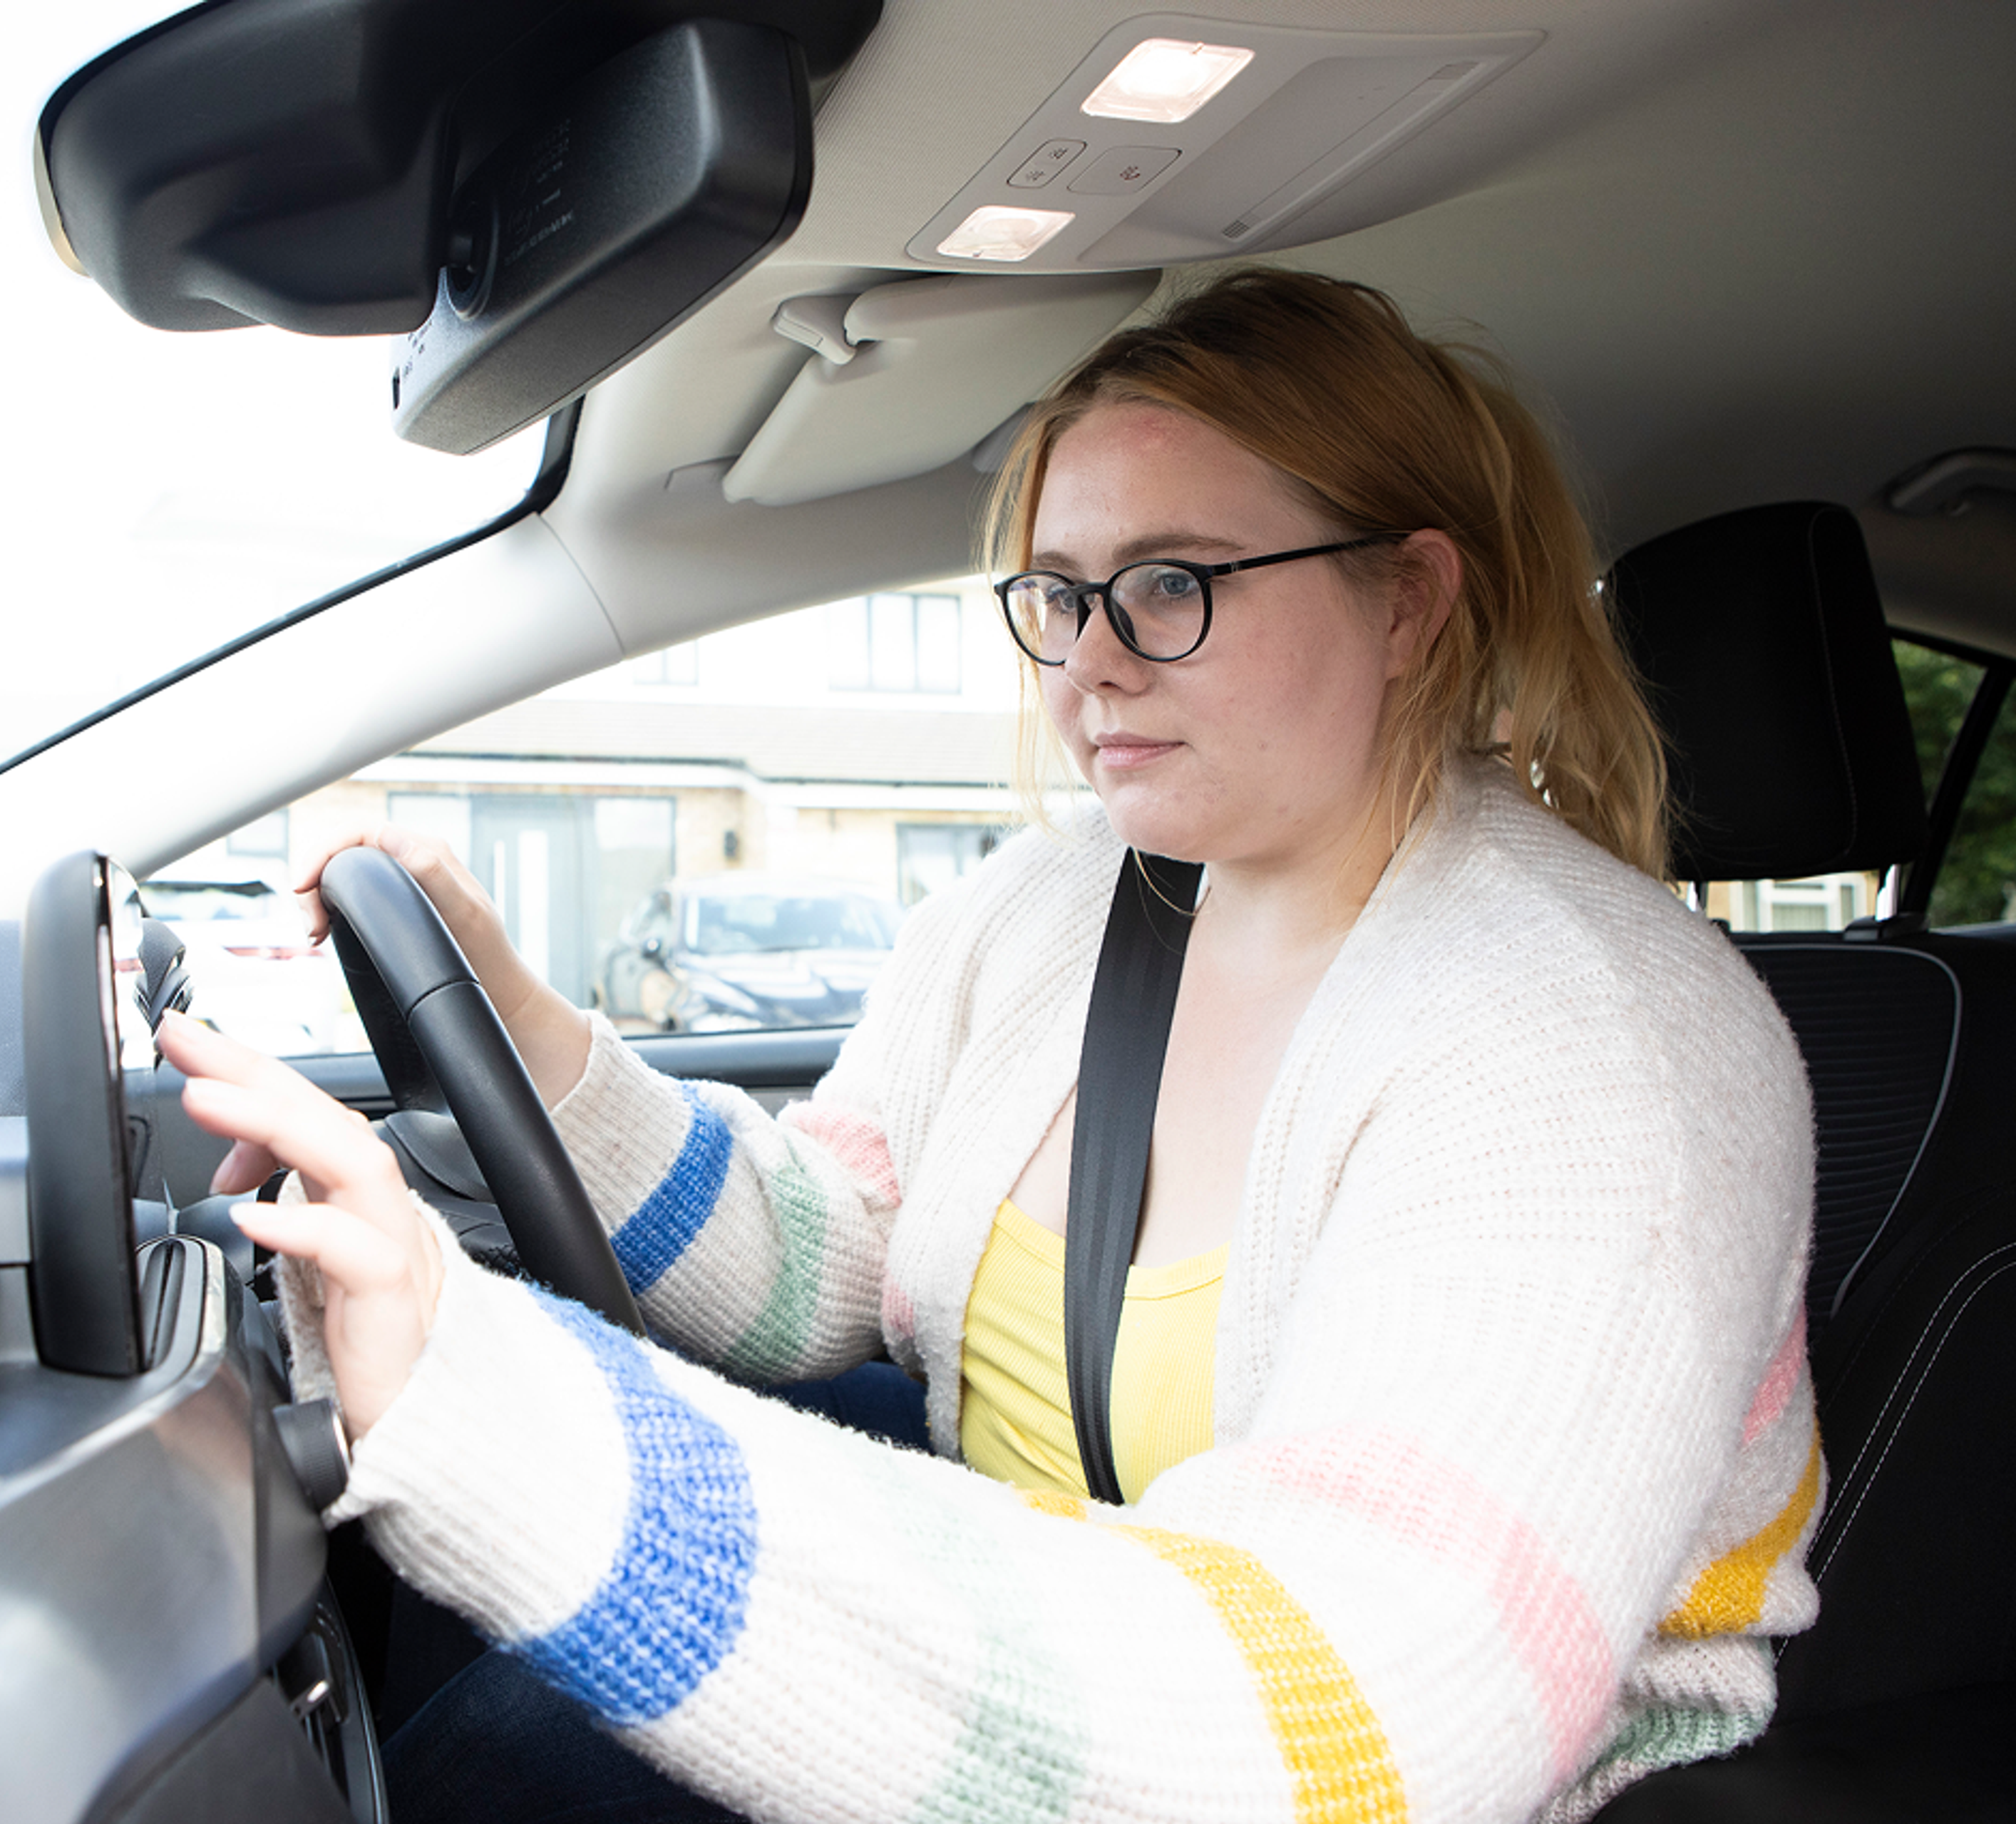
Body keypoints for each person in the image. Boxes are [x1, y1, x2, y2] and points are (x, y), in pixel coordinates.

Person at [158, 269, 1821, 1824]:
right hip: (1058, 1641)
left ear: (1410, 600)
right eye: (1056, 594)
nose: (1090, 663)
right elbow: (827, 1255)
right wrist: (509, 1011)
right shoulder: (1046, 907)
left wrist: (492, 1408)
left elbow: (1346, 1716)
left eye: (1172, 585)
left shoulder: (1603, 1050)